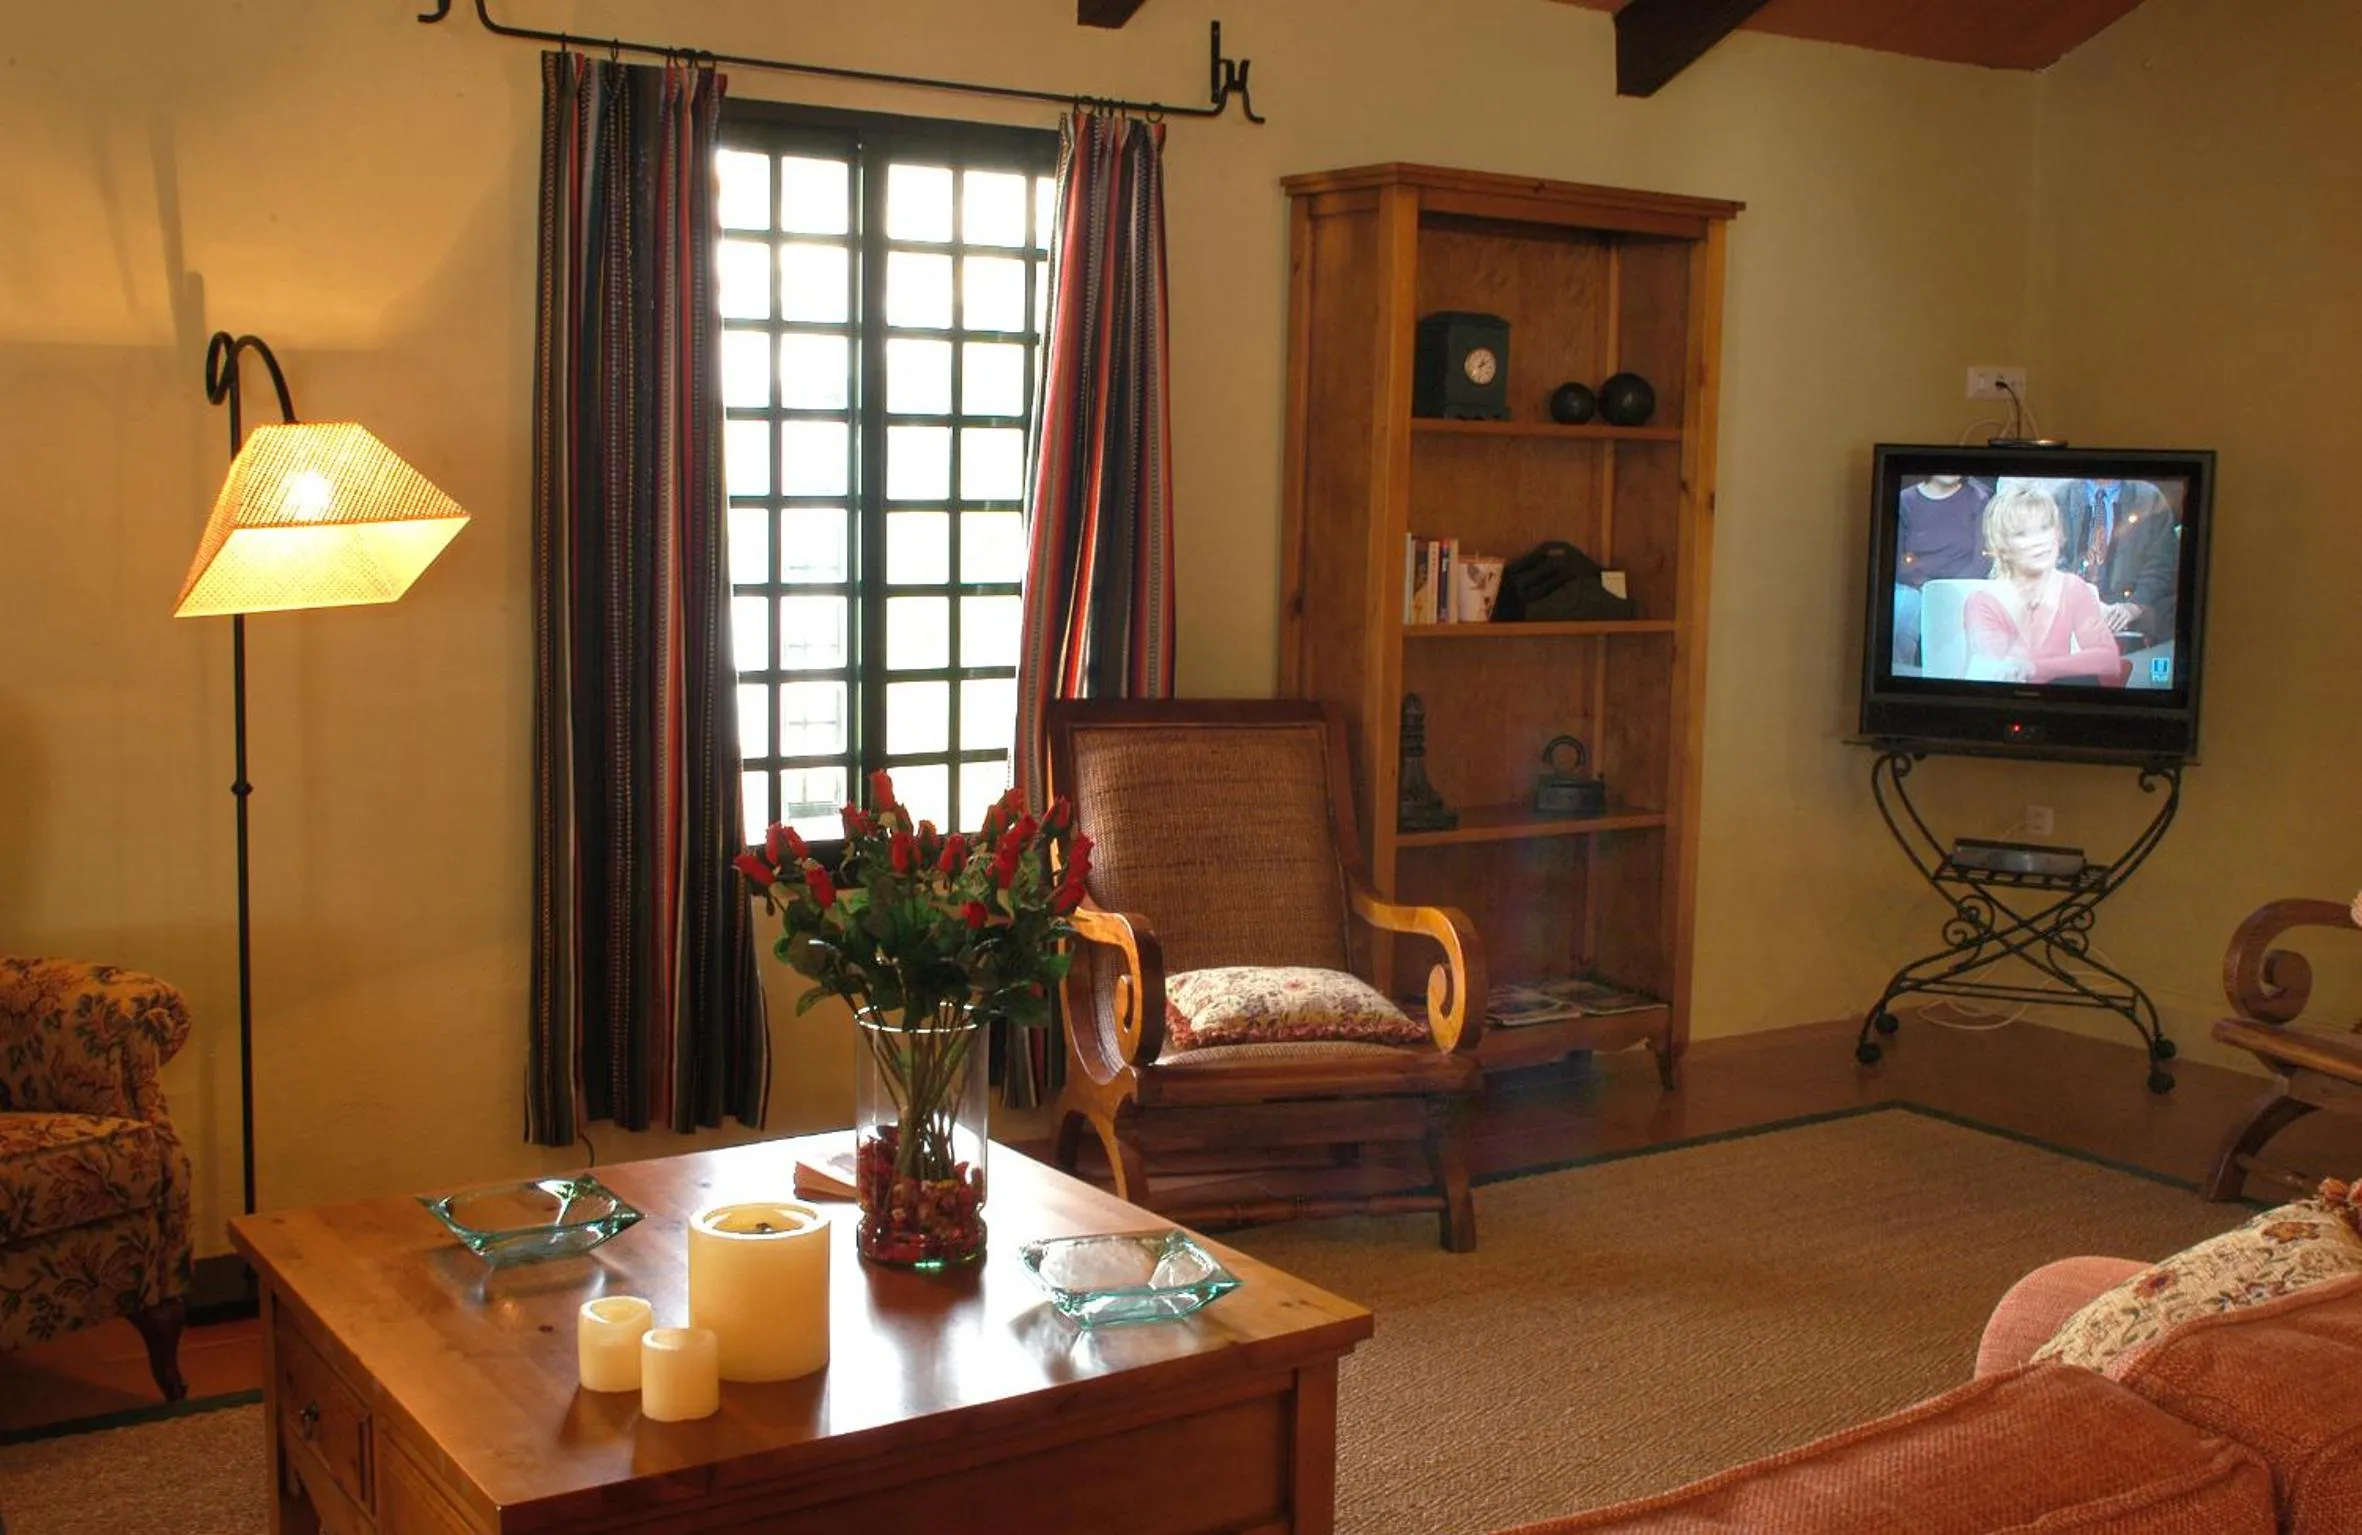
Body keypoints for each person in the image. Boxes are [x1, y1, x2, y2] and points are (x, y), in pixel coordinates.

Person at [1961, 483, 2125, 685]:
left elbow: (2108, 660)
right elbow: (2005, 671)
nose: (2039, 541)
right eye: (2022, 533)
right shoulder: (1983, 602)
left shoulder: (2072, 588)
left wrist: (2036, 668)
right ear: (2002, 545)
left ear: (2057, 533)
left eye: (2044, 528)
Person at [2055, 478, 2179, 642]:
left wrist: (2134, 607)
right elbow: (2052, 560)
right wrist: (2083, 603)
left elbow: (2162, 563)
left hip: (2137, 628)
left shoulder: (2149, 498)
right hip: (2071, 621)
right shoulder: (2061, 497)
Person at [1892, 473, 1992, 668]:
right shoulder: (1904, 500)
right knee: (1901, 617)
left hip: (1961, 585)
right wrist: (1924, 585)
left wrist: (1948, 591)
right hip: (1914, 585)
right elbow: (1896, 560)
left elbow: (1982, 559)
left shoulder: (1978, 498)